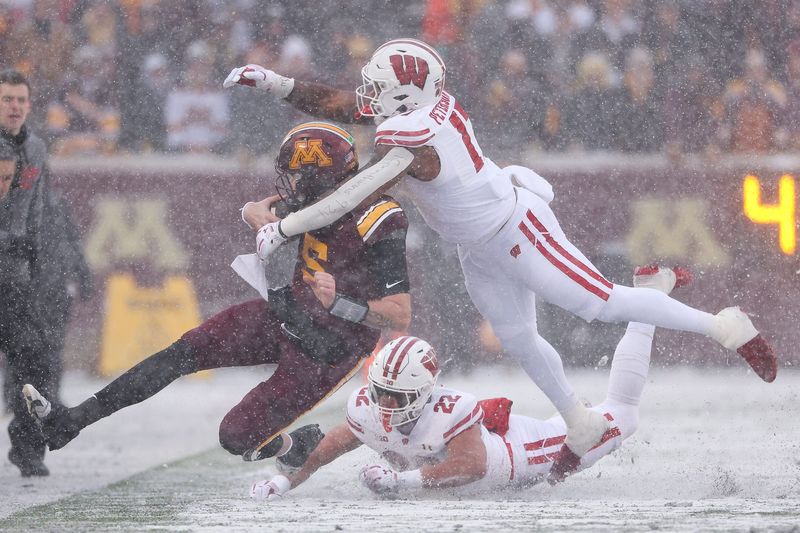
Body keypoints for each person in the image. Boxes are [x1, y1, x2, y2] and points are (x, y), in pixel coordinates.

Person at [223, 38, 777, 480]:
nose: (366, 94)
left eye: (379, 87)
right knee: (516, 338)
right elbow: (347, 106)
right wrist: (277, 84)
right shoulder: (418, 110)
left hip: (516, 228)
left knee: (599, 304)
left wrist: (285, 225)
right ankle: (578, 422)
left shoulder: (412, 139)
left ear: (403, 98)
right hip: (479, 243)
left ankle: (726, 327)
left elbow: (353, 194)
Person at [22, 122, 412, 469]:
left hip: (329, 347)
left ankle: (296, 447)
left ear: (315, 178)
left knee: (236, 437)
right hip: (287, 311)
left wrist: (340, 303)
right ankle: (72, 421)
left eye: (295, 176)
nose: (288, 185)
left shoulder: (379, 218)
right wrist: (253, 214)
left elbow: (399, 315)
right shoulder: (319, 197)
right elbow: (265, 212)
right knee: (180, 354)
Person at [250, 266, 688, 499]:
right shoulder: (367, 405)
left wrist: (400, 481)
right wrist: (285, 481)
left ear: (423, 391)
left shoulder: (451, 408)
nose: (382, 402)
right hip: (491, 464)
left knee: (624, 415)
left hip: (523, 454)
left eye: (395, 395)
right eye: (379, 390)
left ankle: (650, 299)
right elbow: (326, 450)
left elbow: (473, 467)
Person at [0, 69, 53, 477]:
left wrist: (32, 254)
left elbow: (36, 210)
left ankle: (29, 446)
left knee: (34, 356)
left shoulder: (35, 149)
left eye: (21, 99)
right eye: (7, 99)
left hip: (13, 277)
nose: (14, 106)